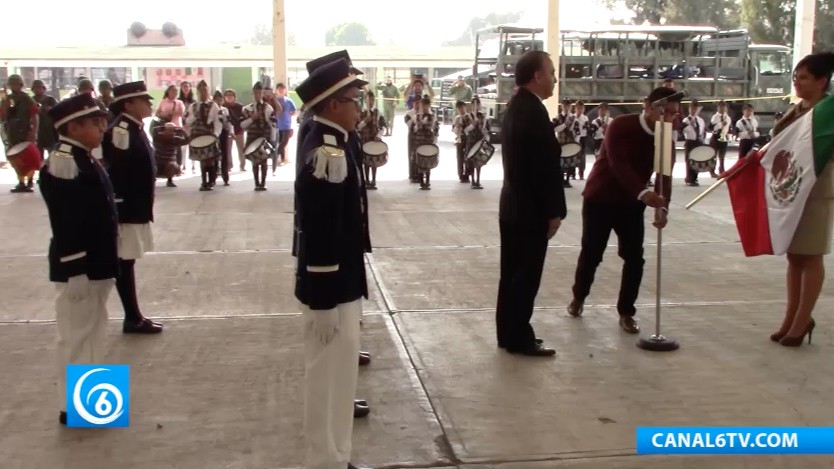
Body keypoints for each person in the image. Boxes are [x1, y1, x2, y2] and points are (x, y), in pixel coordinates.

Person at [294, 57, 371, 469]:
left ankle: (336, 458)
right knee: (326, 380)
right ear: (332, 104)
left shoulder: (337, 144)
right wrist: (323, 297)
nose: (360, 108)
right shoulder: (327, 151)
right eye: (354, 100)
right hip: (331, 288)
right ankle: (324, 461)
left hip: (342, 284)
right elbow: (320, 230)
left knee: (340, 380)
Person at [566, 87, 680, 334]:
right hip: (600, 199)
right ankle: (579, 296)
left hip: (631, 204)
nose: (669, 118)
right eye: (665, 111)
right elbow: (619, 165)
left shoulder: (665, 137)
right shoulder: (620, 125)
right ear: (647, 105)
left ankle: (626, 311)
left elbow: (665, 176)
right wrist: (644, 194)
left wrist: (663, 207)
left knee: (634, 258)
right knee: (592, 254)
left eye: (673, 114)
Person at [38, 93, 116, 425]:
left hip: (96, 264)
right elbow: (66, 221)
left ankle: (94, 405)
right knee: (76, 337)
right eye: (95, 123)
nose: (102, 128)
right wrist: (76, 269)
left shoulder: (82, 156)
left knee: (93, 333)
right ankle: (74, 409)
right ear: (73, 126)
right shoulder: (64, 161)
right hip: (80, 268)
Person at [496, 50, 566, 357]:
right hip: (530, 210)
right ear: (537, 76)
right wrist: (554, 211)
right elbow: (544, 169)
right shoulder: (533, 111)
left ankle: (508, 333)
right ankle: (519, 338)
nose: (554, 79)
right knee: (526, 275)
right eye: (551, 72)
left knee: (510, 273)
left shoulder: (515, 106)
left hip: (512, 205)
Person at [769, 52, 834, 347]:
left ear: (822, 81)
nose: (796, 82)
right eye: (795, 76)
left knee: (810, 255)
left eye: (803, 77)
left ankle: (801, 320)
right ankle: (791, 318)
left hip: (817, 190)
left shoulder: (828, 112)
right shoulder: (796, 110)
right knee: (794, 257)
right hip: (790, 190)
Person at [103, 81, 164, 334]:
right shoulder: (121, 131)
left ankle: (134, 315)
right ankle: (132, 317)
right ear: (128, 104)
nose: (149, 103)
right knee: (124, 261)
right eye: (143, 100)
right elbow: (115, 170)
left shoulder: (134, 128)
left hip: (135, 205)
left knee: (127, 260)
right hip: (126, 206)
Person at [0, 74, 40, 192]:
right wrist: (5, 106)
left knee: (28, 157)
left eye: (15, 84)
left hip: (26, 131)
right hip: (12, 132)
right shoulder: (7, 99)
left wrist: (33, 131)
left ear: (21, 85)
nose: (13, 86)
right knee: (16, 159)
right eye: (11, 84)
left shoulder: (27, 99)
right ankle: (21, 182)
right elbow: (2, 117)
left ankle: (30, 181)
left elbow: (35, 116)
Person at [186, 80, 222, 191]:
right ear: (198, 92)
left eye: (205, 90)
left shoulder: (213, 105)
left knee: (210, 159)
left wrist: (216, 134)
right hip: (197, 135)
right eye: (201, 91)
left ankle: (211, 180)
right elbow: (187, 121)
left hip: (209, 135)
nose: (203, 93)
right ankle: (203, 182)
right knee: (202, 160)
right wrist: (194, 116)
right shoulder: (193, 106)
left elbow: (218, 121)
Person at [241, 81, 275, 191]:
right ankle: (256, 183)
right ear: (253, 94)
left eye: (259, 92)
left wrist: (272, 140)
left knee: (264, 160)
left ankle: (263, 183)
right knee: (255, 161)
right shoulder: (247, 109)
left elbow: (273, 125)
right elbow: (242, 124)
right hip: (252, 136)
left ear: (262, 93)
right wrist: (252, 118)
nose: (257, 95)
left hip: (264, 136)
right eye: (255, 92)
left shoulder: (268, 108)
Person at [681, 99, 707, 186]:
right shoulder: (686, 120)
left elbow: (702, 131)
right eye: (692, 108)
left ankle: (695, 178)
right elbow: (682, 130)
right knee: (689, 161)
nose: (693, 110)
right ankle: (689, 178)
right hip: (690, 142)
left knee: (697, 161)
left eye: (695, 108)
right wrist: (690, 122)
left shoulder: (701, 120)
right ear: (689, 109)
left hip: (698, 141)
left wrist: (702, 140)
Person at [32, 79, 58, 159]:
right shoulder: (31, 100)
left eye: (40, 87)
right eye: (36, 88)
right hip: (38, 133)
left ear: (44, 89)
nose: (38, 90)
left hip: (50, 132)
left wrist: (51, 109)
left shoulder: (50, 100)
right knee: (39, 158)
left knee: (53, 157)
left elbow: (59, 111)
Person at [273, 83, 297, 171]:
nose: (281, 90)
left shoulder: (288, 100)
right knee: (279, 142)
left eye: (282, 89)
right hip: (276, 125)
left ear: (285, 90)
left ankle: (275, 156)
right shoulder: (274, 101)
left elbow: (294, 111)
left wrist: (289, 115)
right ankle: (282, 159)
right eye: (279, 89)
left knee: (284, 141)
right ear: (276, 90)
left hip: (286, 124)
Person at [213, 90, 233, 186]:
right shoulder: (211, 109)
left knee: (224, 155)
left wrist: (231, 131)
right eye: (217, 100)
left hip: (223, 133)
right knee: (214, 155)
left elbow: (228, 122)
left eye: (220, 100)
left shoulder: (225, 110)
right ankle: (213, 177)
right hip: (213, 134)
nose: (219, 102)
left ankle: (225, 177)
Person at [710, 100, 732, 173]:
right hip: (716, 137)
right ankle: (712, 170)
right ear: (718, 108)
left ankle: (721, 169)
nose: (722, 109)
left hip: (723, 137)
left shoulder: (728, 118)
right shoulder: (715, 117)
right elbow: (711, 128)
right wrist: (720, 124)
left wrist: (728, 135)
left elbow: (728, 128)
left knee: (722, 156)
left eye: (724, 107)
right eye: (720, 107)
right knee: (713, 155)